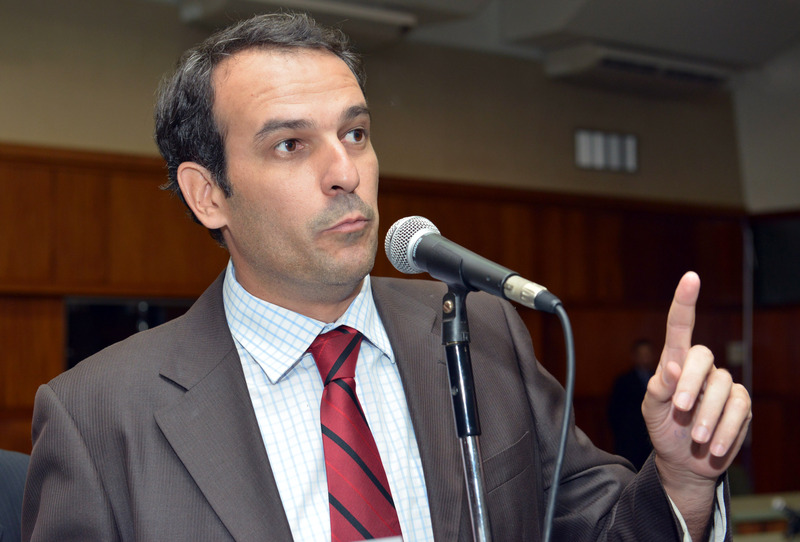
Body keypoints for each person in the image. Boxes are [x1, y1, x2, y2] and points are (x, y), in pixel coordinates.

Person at [22, 12, 752, 542]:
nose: (345, 171)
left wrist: (683, 479)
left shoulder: (480, 332)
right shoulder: (98, 416)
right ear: (207, 193)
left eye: (355, 133)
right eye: (290, 144)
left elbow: (602, 529)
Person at [608, 339, 658, 470]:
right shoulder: (623, 381)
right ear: (634, 357)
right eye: (641, 354)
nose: (645, 358)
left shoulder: (660, 378)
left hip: (655, 438)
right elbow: (614, 412)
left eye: (647, 354)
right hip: (631, 439)